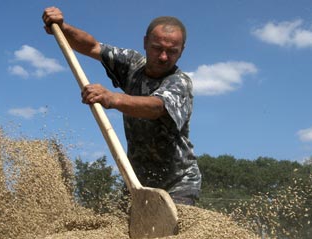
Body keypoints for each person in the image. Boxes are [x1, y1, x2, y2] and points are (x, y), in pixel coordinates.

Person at [42, 7, 201, 206]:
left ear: (181, 51)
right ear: (145, 43)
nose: (163, 57)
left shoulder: (180, 82)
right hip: (136, 180)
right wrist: (63, 28)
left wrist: (113, 98)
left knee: (170, 235)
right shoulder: (133, 64)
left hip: (177, 182)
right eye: (157, 48)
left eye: (172, 51)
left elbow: (157, 107)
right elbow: (92, 47)